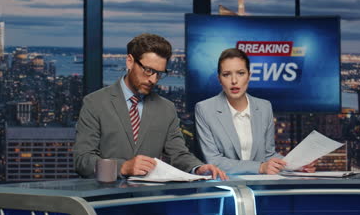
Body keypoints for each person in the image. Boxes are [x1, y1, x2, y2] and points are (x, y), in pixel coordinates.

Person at [74, 33, 227, 180]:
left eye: (159, 74)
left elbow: (179, 154)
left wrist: (198, 168)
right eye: (148, 70)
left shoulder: (166, 109)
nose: (153, 80)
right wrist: (121, 167)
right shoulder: (95, 103)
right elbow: (83, 160)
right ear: (129, 61)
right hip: (104, 200)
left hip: (148, 200)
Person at [195, 48, 316, 175]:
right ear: (219, 79)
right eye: (226, 74)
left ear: (249, 76)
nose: (234, 81)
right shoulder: (204, 109)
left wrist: (295, 165)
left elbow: (268, 155)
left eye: (240, 73)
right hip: (222, 187)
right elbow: (214, 161)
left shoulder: (264, 107)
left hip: (259, 188)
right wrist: (259, 168)